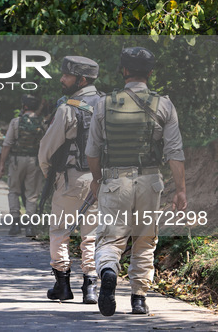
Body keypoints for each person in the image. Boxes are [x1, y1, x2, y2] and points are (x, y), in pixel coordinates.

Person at [86, 47, 187, 316]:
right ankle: (139, 298)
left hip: (115, 181)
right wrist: (181, 190)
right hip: (150, 181)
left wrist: (97, 181)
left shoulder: (103, 104)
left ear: (124, 71)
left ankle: (108, 270)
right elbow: (174, 151)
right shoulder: (163, 104)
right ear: (150, 73)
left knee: (109, 239)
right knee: (145, 239)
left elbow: (92, 152)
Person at [38, 56, 103, 304]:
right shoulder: (108, 105)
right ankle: (90, 288)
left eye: (67, 75)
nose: (62, 79)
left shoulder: (68, 107)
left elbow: (47, 147)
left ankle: (62, 286)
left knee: (60, 231)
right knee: (92, 234)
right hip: (101, 179)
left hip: (70, 178)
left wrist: (48, 173)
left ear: (81, 80)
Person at [0, 94, 45, 236]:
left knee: (14, 191)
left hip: (17, 161)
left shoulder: (16, 122)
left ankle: (15, 223)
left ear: (24, 106)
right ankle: (30, 226)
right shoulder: (41, 122)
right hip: (34, 161)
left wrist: (1, 164)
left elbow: (7, 145)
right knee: (32, 194)